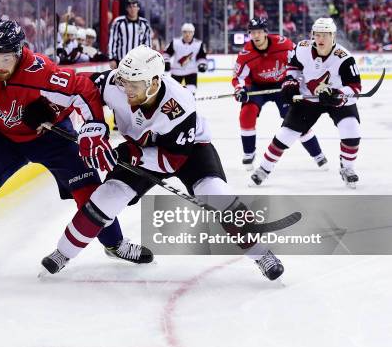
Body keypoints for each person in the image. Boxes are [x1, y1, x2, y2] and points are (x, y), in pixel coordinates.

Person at [0, 20, 152, 275]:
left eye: (6, 59)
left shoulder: (41, 71)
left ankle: (115, 243)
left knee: (88, 193)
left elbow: (83, 90)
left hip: (52, 136)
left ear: (19, 53)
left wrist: (93, 129)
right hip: (5, 138)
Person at [40, 45, 284, 281]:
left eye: (134, 85)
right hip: (139, 148)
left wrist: (129, 155)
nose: (127, 90)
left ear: (154, 82)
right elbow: (78, 90)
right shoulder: (116, 82)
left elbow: (171, 161)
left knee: (216, 194)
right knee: (107, 197)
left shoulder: (180, 105)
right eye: (125, 83)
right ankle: (62, 253)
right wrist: (48, 111)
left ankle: (262, 254)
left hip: (190, 152)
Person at [250, 18, 362, 189]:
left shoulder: (344, 58)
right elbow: (293, 68)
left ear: (333, 36)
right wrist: (290, 83)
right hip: (308, 98)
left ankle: (347, 167)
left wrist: (338, 96)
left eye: (325, 35)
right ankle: (264, 169)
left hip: (335, 99)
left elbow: (355, 88)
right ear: (312, 35)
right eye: (317, 34)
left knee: (352, 130)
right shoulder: (302, 48)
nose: (321, 39)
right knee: (284, 135)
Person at [233, 17, 327, 170]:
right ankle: (249, 153)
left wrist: (304, 80)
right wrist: (240, 90)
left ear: (265, 33)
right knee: (246, 113)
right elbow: (239, 77)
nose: (256, 36)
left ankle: (318, 154)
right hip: (257, 87)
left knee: (296, 117)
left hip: (282, 85)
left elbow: (301, 59)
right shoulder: (246, 53)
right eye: (252, 33)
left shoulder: (283, 44)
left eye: (259, 32)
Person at [162, 22, 208, 93]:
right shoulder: (175, 42)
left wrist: (202, 64)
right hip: (176, 72)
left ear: (193, 33)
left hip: (191, 72)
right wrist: (166, 62)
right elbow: (166, 53)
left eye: (190, 32)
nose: (187, 34)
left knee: (191, 93)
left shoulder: (198, 44)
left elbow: (201, 57)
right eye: (185, 32)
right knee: (174, 93)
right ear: (182, 33)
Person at [107, 0, 151, 69]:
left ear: (138, 8)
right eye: (130, 7)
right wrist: (112, 58)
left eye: (134, 6)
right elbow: (113, 41)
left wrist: (148, 59)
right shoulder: (118, 22)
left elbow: (147, 44)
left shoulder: (144, 23)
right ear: (127, 8)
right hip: (121, 61)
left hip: (139, 62)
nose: (132, 9)